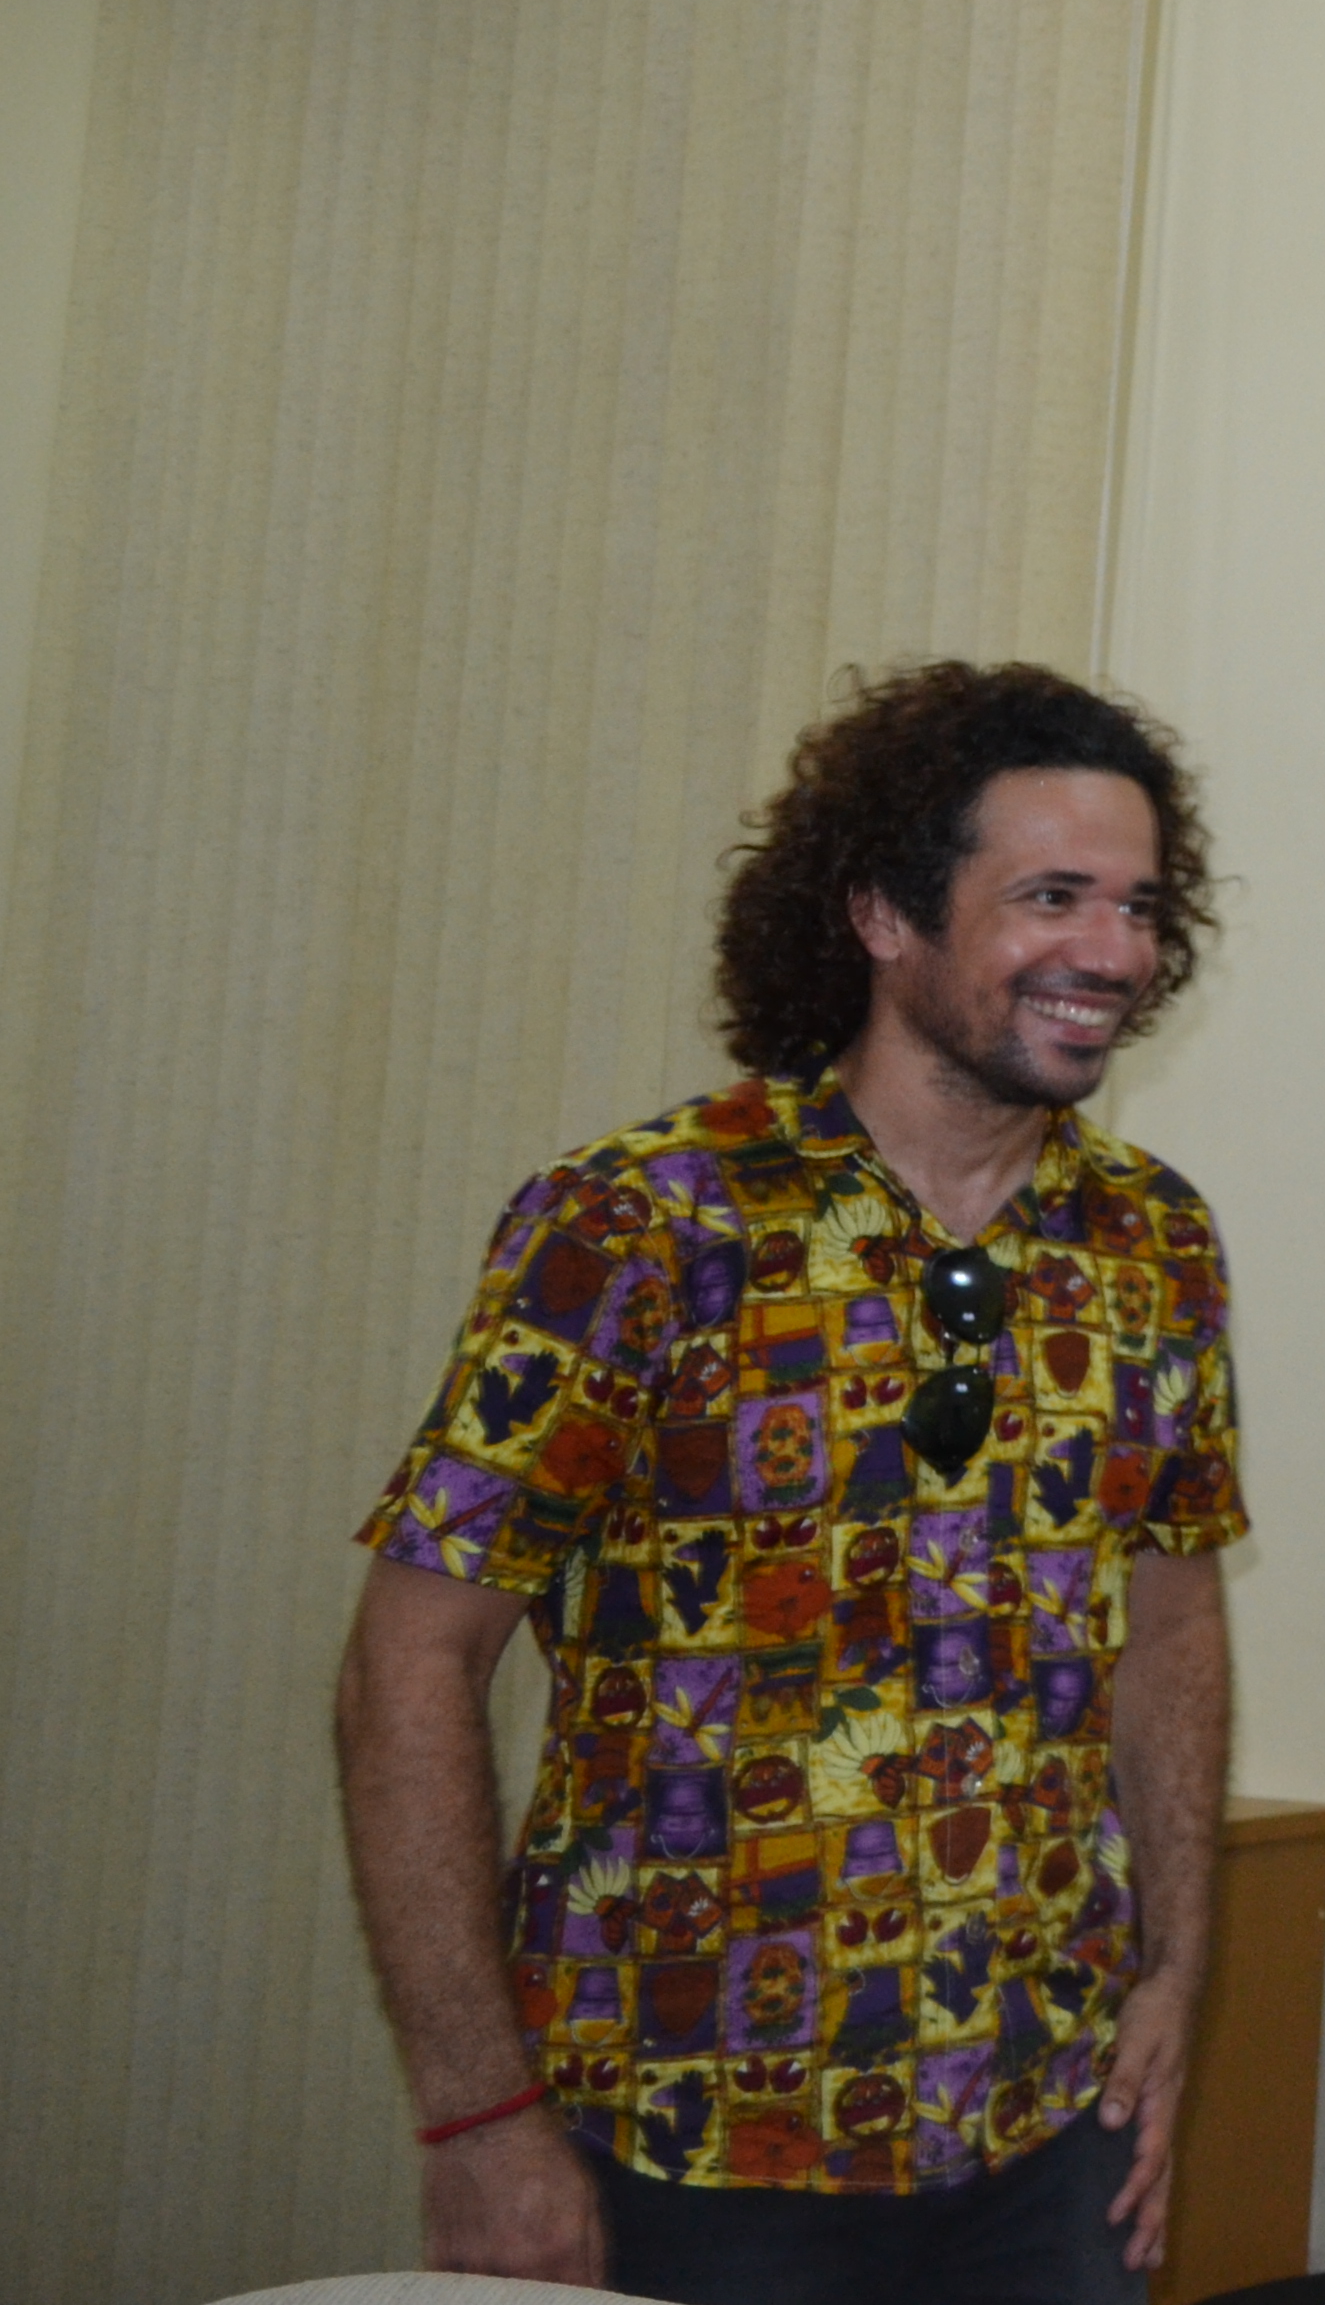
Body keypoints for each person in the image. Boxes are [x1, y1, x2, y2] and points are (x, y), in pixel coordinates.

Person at [336, 663, 1247, 2303]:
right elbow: (411, 1657)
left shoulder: (1152, 1241)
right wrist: (475, 2115)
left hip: (1047, 2132)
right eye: (1052, 896)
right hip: (691, 2143)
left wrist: (1178, 1970)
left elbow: (1170, 1624)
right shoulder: (642, 1224)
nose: (1112, 952)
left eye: (1139, 905)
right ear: (884, 915)